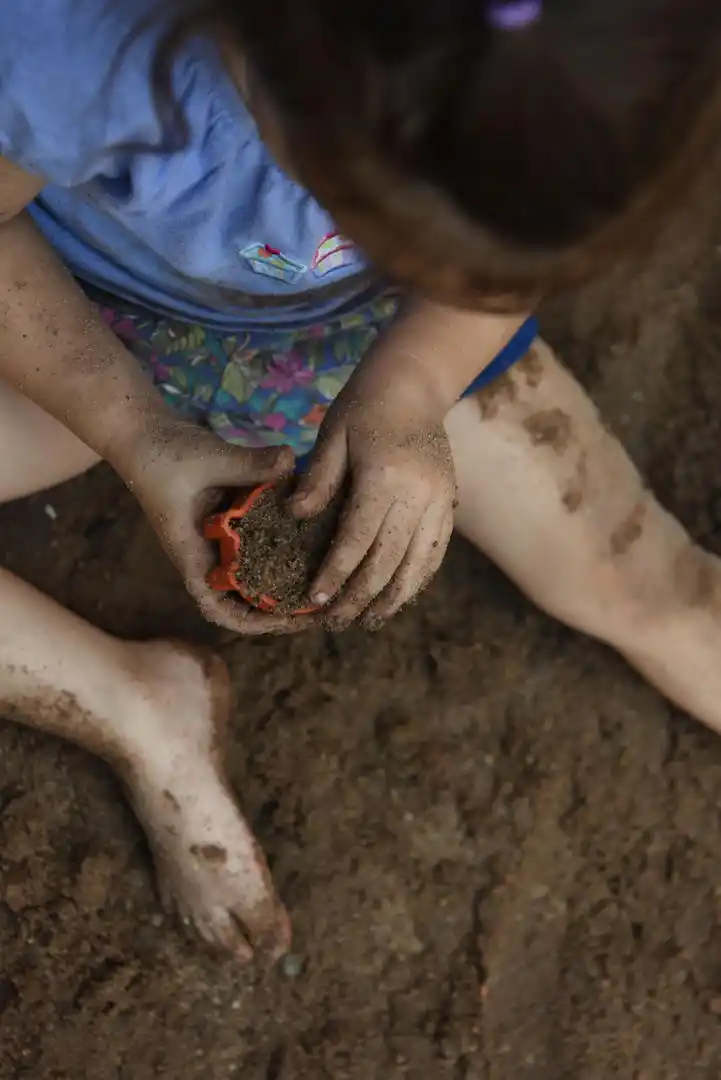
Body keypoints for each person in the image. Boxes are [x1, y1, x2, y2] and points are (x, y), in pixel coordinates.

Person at [0, 0, 720, 962]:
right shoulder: (64, 47)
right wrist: (134, 429)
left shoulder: (574, 74)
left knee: (646, 587)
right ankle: (133, 706)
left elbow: (506, 262)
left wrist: (411, 389)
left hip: (384, 336)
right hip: (86, 320)